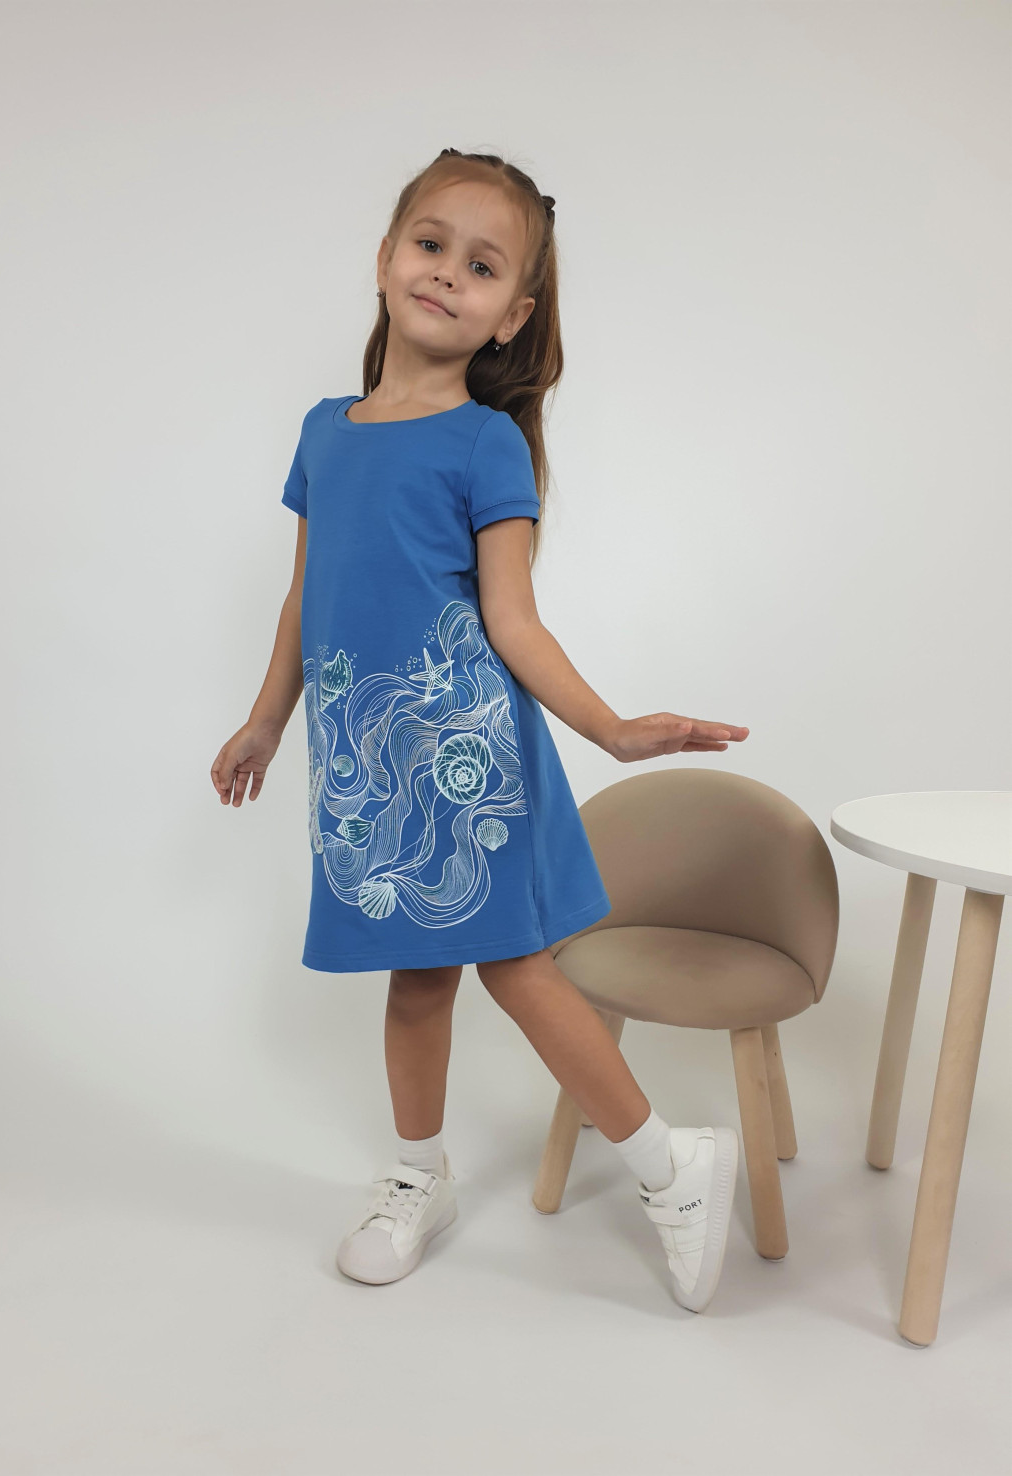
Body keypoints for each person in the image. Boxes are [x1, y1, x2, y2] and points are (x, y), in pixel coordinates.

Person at [211, 147, 750, 1314]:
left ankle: (670, 1168)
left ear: (513, 315)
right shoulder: (324, 430)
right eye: (431, 244)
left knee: (513, 967)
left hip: (469, 759)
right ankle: (419, 1174)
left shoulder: (483, 443)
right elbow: (308, 593)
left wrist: (610, 730)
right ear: (384, 258)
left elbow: (513, 620)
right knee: (416, 980)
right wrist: (264, 720)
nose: (448, 273)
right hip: (367, 763)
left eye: (483, 265)